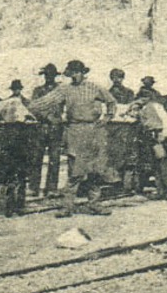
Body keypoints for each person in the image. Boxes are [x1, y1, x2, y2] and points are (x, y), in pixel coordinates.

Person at [28, 60, 117, 216]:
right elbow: (43, 103)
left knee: (95, 170)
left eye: (77, 72)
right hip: (74, 131)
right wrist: (27, 107)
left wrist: (106, 119)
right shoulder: (64, 90)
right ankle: (67, 206)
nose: (75, 76)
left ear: (83, 73)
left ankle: (94, 204)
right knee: (75, 171)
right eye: (72, 73)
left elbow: (111, 102)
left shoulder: (95, 88)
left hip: (94, 131)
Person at [30, 63, 64, 198]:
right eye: (47, 75)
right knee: (36, 158)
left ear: (54, 76)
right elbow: (33, 108)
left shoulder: (61, 90)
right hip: (41, 127)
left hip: (55, 128)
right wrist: (47, 116)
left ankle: (52, 188)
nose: (49, 77)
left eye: (51, 75)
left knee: (54, 159)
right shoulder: (37, 91)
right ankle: (34, 187)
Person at [134, 91, 167, 199]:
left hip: (158, 135)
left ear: (149, 98)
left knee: (163, 162)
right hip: (149, 136)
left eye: (144, 98)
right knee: (155, 164)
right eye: (140, 98)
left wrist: (165, 135)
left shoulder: (156, 106)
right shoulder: (141, 109)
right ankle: (160, 190)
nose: (141, 100)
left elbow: (166, 120)